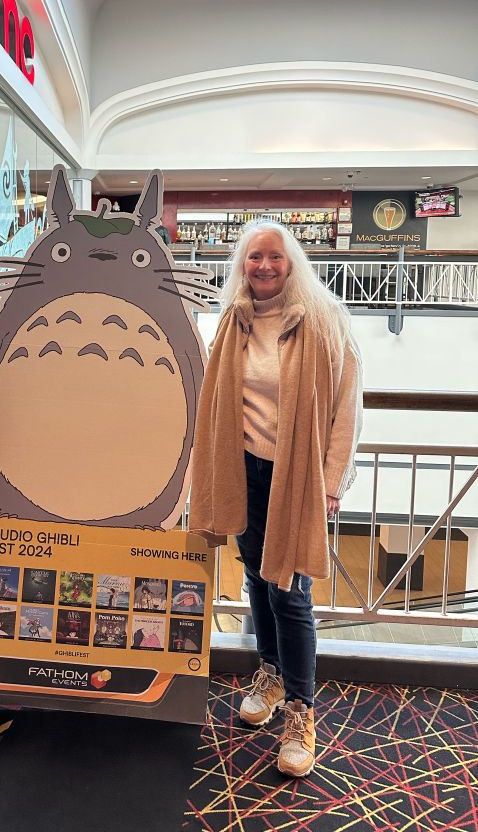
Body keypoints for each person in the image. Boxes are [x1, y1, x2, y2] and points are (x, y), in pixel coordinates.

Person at [189, 220, 362, 778]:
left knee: (290, 588)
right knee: (257, 576)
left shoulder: (321, 320)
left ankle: (301, 711)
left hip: (297, 476)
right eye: (254, 258)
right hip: (243, 470)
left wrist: (332, 481)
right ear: (242, 263)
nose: (263, 267)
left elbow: (346, 408)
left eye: (275, 258)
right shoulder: (235, 321)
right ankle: (267, 669)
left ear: (292, 264)